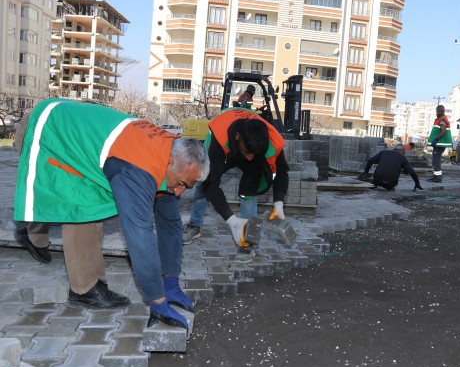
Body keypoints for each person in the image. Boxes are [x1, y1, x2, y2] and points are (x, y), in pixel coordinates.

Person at [13, 98, 210, 331]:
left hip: (77, 130)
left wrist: (171, 281)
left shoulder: (171, 153)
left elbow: (170, 225)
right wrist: (157, 300)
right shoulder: (137, 170)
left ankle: (31, 233)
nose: (178, 192)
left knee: (80, 195)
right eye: (180, 183)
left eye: (186, 187)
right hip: (45, 128)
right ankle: (84, 289)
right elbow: (140, 238)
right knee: (83, 206)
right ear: (170, 162)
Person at [182, 107, 289, 263]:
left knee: (249, 192)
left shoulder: (269, 140)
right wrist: (232, 221)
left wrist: (278, 204)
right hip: (227, 151)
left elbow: (282, 172)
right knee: (203, 184)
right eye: (247, 152)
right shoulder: (218, 139)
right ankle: (194, 225)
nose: (250, 158)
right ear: (238, 136)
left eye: (254, 154)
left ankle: (248, 241)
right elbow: (211, 184)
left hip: (246, 148)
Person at [358, 145, 423, 192]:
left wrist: (366, 172)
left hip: (376, 180)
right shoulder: (402, 158)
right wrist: (417, 184)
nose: (404, 154)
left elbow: (370, 161)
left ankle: (375, 184)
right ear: (401, 151)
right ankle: (389, 187)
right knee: (391, 182)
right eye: (403, 152)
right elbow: (412, 172)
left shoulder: (383, 152)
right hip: (390, 184)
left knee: (379, 172)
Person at [427, 105, 452, 183]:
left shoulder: (442, 120)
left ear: (441, 111)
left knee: (436, 161)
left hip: (439, 144)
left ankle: (438, 178)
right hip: (438, 144)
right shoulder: (439, 119)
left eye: (438, 111)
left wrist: (436, 139)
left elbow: (443, 131)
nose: (437, 113)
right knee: (435, 161)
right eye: (436, 111)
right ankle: (436, 177)